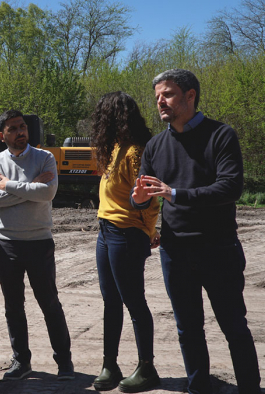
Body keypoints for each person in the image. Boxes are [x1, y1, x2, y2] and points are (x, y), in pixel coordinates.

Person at [131, 69, 261, 394]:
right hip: (175, 253)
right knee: (188, 329)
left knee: (234, 326)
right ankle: (198, 387)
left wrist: (175, 194)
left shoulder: (221, 135)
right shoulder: (155, 146)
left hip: (218, 249)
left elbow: (229, 188)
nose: (160, 101)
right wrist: (138, 201)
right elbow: (147, 195)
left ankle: (250, 389)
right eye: (158, 96)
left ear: (190, 96)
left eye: (169, 94)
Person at [0, 109, 74, 381]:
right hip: (6, 244)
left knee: (49, 303)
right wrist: (29, 186)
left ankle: (65, 363)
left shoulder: (45, 157)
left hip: (39, 243)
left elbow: (48, 192)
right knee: (13, 306)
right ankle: (21, 362)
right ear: (2, 135)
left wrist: (10, 185)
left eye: (22, 126)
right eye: (13, 128)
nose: (21, 131)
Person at [90, 92, 161, 392]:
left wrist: (149, 231)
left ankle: (147, 368)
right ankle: (111, 364)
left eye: (101, 115)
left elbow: (150, 198)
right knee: (111, 302)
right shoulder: (115, 148)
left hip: (126, 235)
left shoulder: (135, 152)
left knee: (134, 302)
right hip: (106, 233)